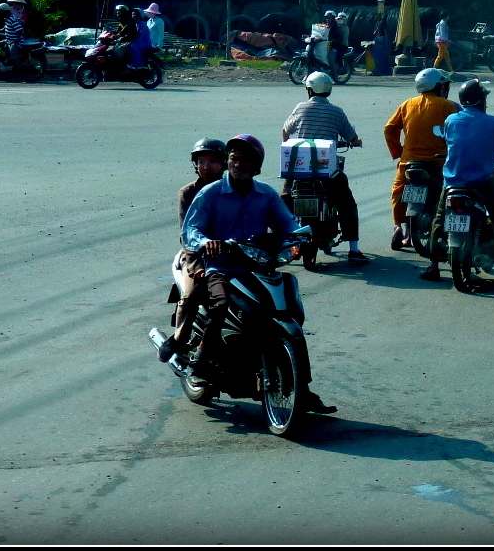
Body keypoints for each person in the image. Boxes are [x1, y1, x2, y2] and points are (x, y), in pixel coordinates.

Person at [171, 134, 336, 413]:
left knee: (291, 311)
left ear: (257, 166)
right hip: (220, 267)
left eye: (246, 159)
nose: (239, 164)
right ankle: (199, 360)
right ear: (228, 162)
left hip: (259, 266)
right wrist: (206, 243)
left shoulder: (266, 194)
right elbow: (191, 231)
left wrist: (301, 237)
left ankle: (302, 389)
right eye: (234, 158)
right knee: (220, 303)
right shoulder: (209, 194)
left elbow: (288, 224)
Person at [421, 78, 494, 284]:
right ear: (481, 101)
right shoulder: (493, 122)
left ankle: (433, 265)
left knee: (439, 220)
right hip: (483, 182)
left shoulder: (451, 121)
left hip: (453, 183)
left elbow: (452, 144)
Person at [282, 71, 368, 264]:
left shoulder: (300, 108)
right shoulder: (336, 112)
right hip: (326, 171)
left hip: (299, 169)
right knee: (346, 203)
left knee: (286, 195)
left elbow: (286, 131)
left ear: (309, 90)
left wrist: (289, 145)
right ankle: (353, 249)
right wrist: (356, 141)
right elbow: (351, 137)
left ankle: (282, 239)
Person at [158, 137, 229, 365]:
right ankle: (179, 338)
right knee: (192, 293)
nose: (206, 167)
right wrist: (197, 266)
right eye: (201, 161)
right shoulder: (188, 193)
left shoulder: (232, 191)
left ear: (224, 164)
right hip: (194, 254)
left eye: (213, 161)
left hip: (228, 254)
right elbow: (187, 233)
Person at [384, 68, 459, 250]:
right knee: (448, 193)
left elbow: (389, 129)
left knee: (398, 192)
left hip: (409, 162)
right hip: (437, 162)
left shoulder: (408, 104)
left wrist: (399, 152)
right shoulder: (448, 106)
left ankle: (398, 227)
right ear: (439, 86)